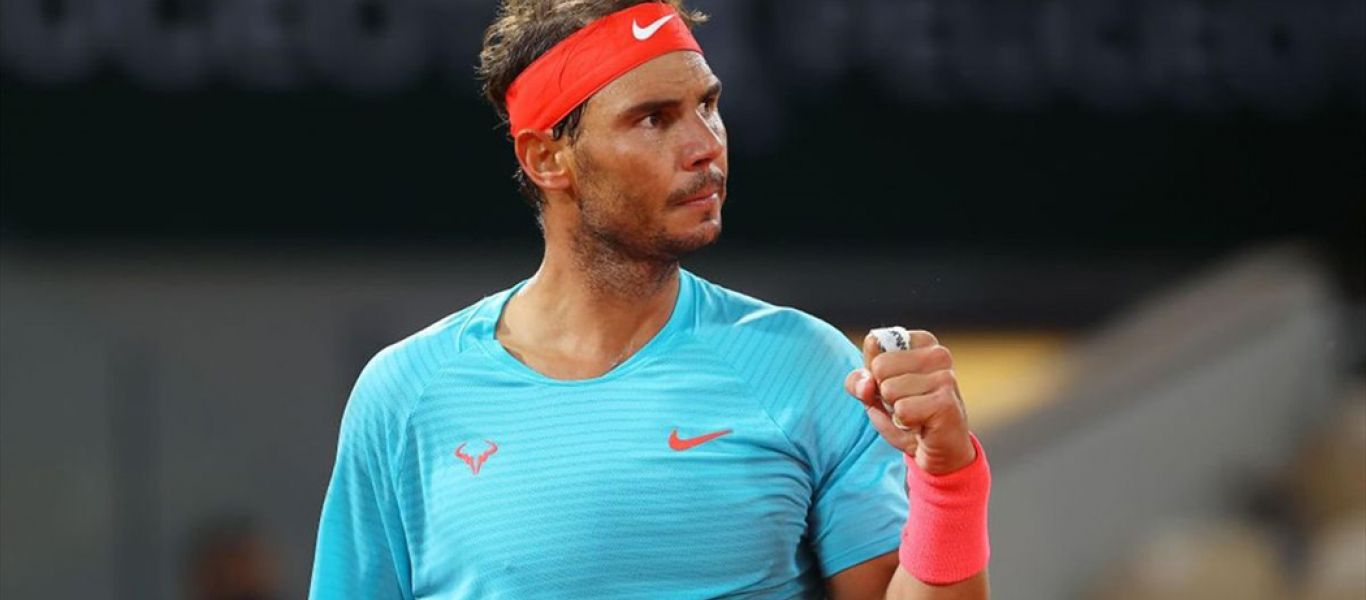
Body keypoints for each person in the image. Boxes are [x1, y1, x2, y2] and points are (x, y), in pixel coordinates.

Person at [309, 2, 990, 598]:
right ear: (547, 158)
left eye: (708, 106)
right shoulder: (406, 393)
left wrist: (948, 478)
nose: (705, 146)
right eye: (654, 119)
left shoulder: (807, 366)